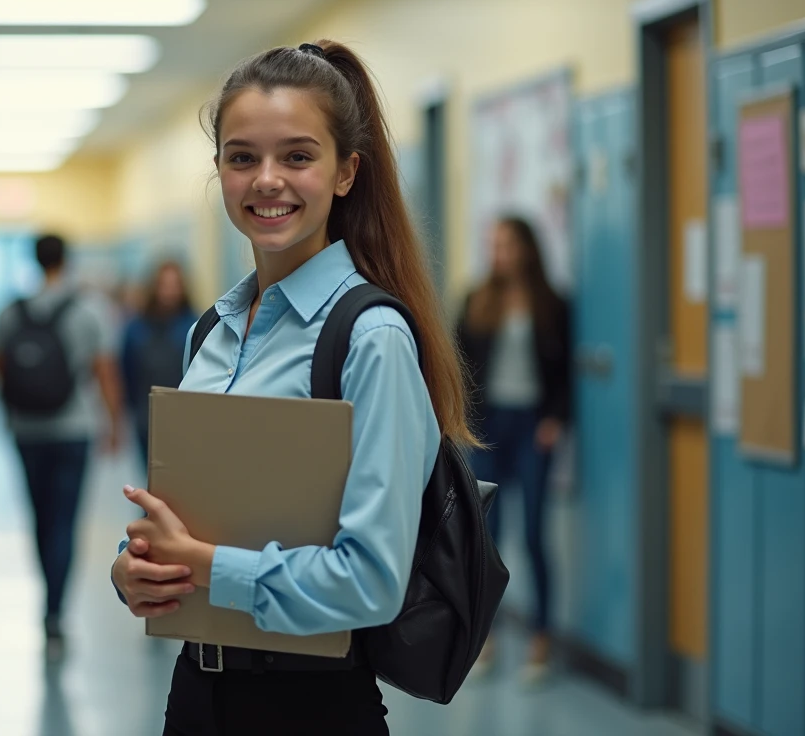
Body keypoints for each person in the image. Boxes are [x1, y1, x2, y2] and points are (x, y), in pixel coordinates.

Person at [110, 40, 474, 735]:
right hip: (196, 692)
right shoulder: (211, 333)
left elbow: (371, 581)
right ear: (219, 172)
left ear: (345, 173)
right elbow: (192, 521)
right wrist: (135, 571)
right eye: (242, 157)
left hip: (310, 705)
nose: (266, 180)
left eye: (297, 156)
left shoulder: (369, 339)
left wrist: (211, 569)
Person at [0, 234, 126, 660]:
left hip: (26, 429)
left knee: (39, 516)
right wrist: (113, 423)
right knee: (64, 520)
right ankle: (55, 612)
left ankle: (47, 597)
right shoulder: (89, 309)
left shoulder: (11, 312)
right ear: (66, 261)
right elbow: (104, 370)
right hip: (73, 428)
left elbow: (1, 369)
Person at [457, 215, 572, 683]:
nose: (498, 252)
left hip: (532, 426)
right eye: (493, 243)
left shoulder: (553, 304)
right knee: (488, 539)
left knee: (532, 533)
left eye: (506, 243)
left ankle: (541, 637)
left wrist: (555, 420)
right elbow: (457, 363)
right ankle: (488, 637)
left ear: (526, 247)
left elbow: (565, 370)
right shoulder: (477, 300)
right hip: (488, 427)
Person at [120, 260, 197, 467]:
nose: (169, 292)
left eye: (174, 285)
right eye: (164, 285)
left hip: (186, 417)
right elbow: (126, 371)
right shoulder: (136, 328)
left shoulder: (195, 325)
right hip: (147, 416)